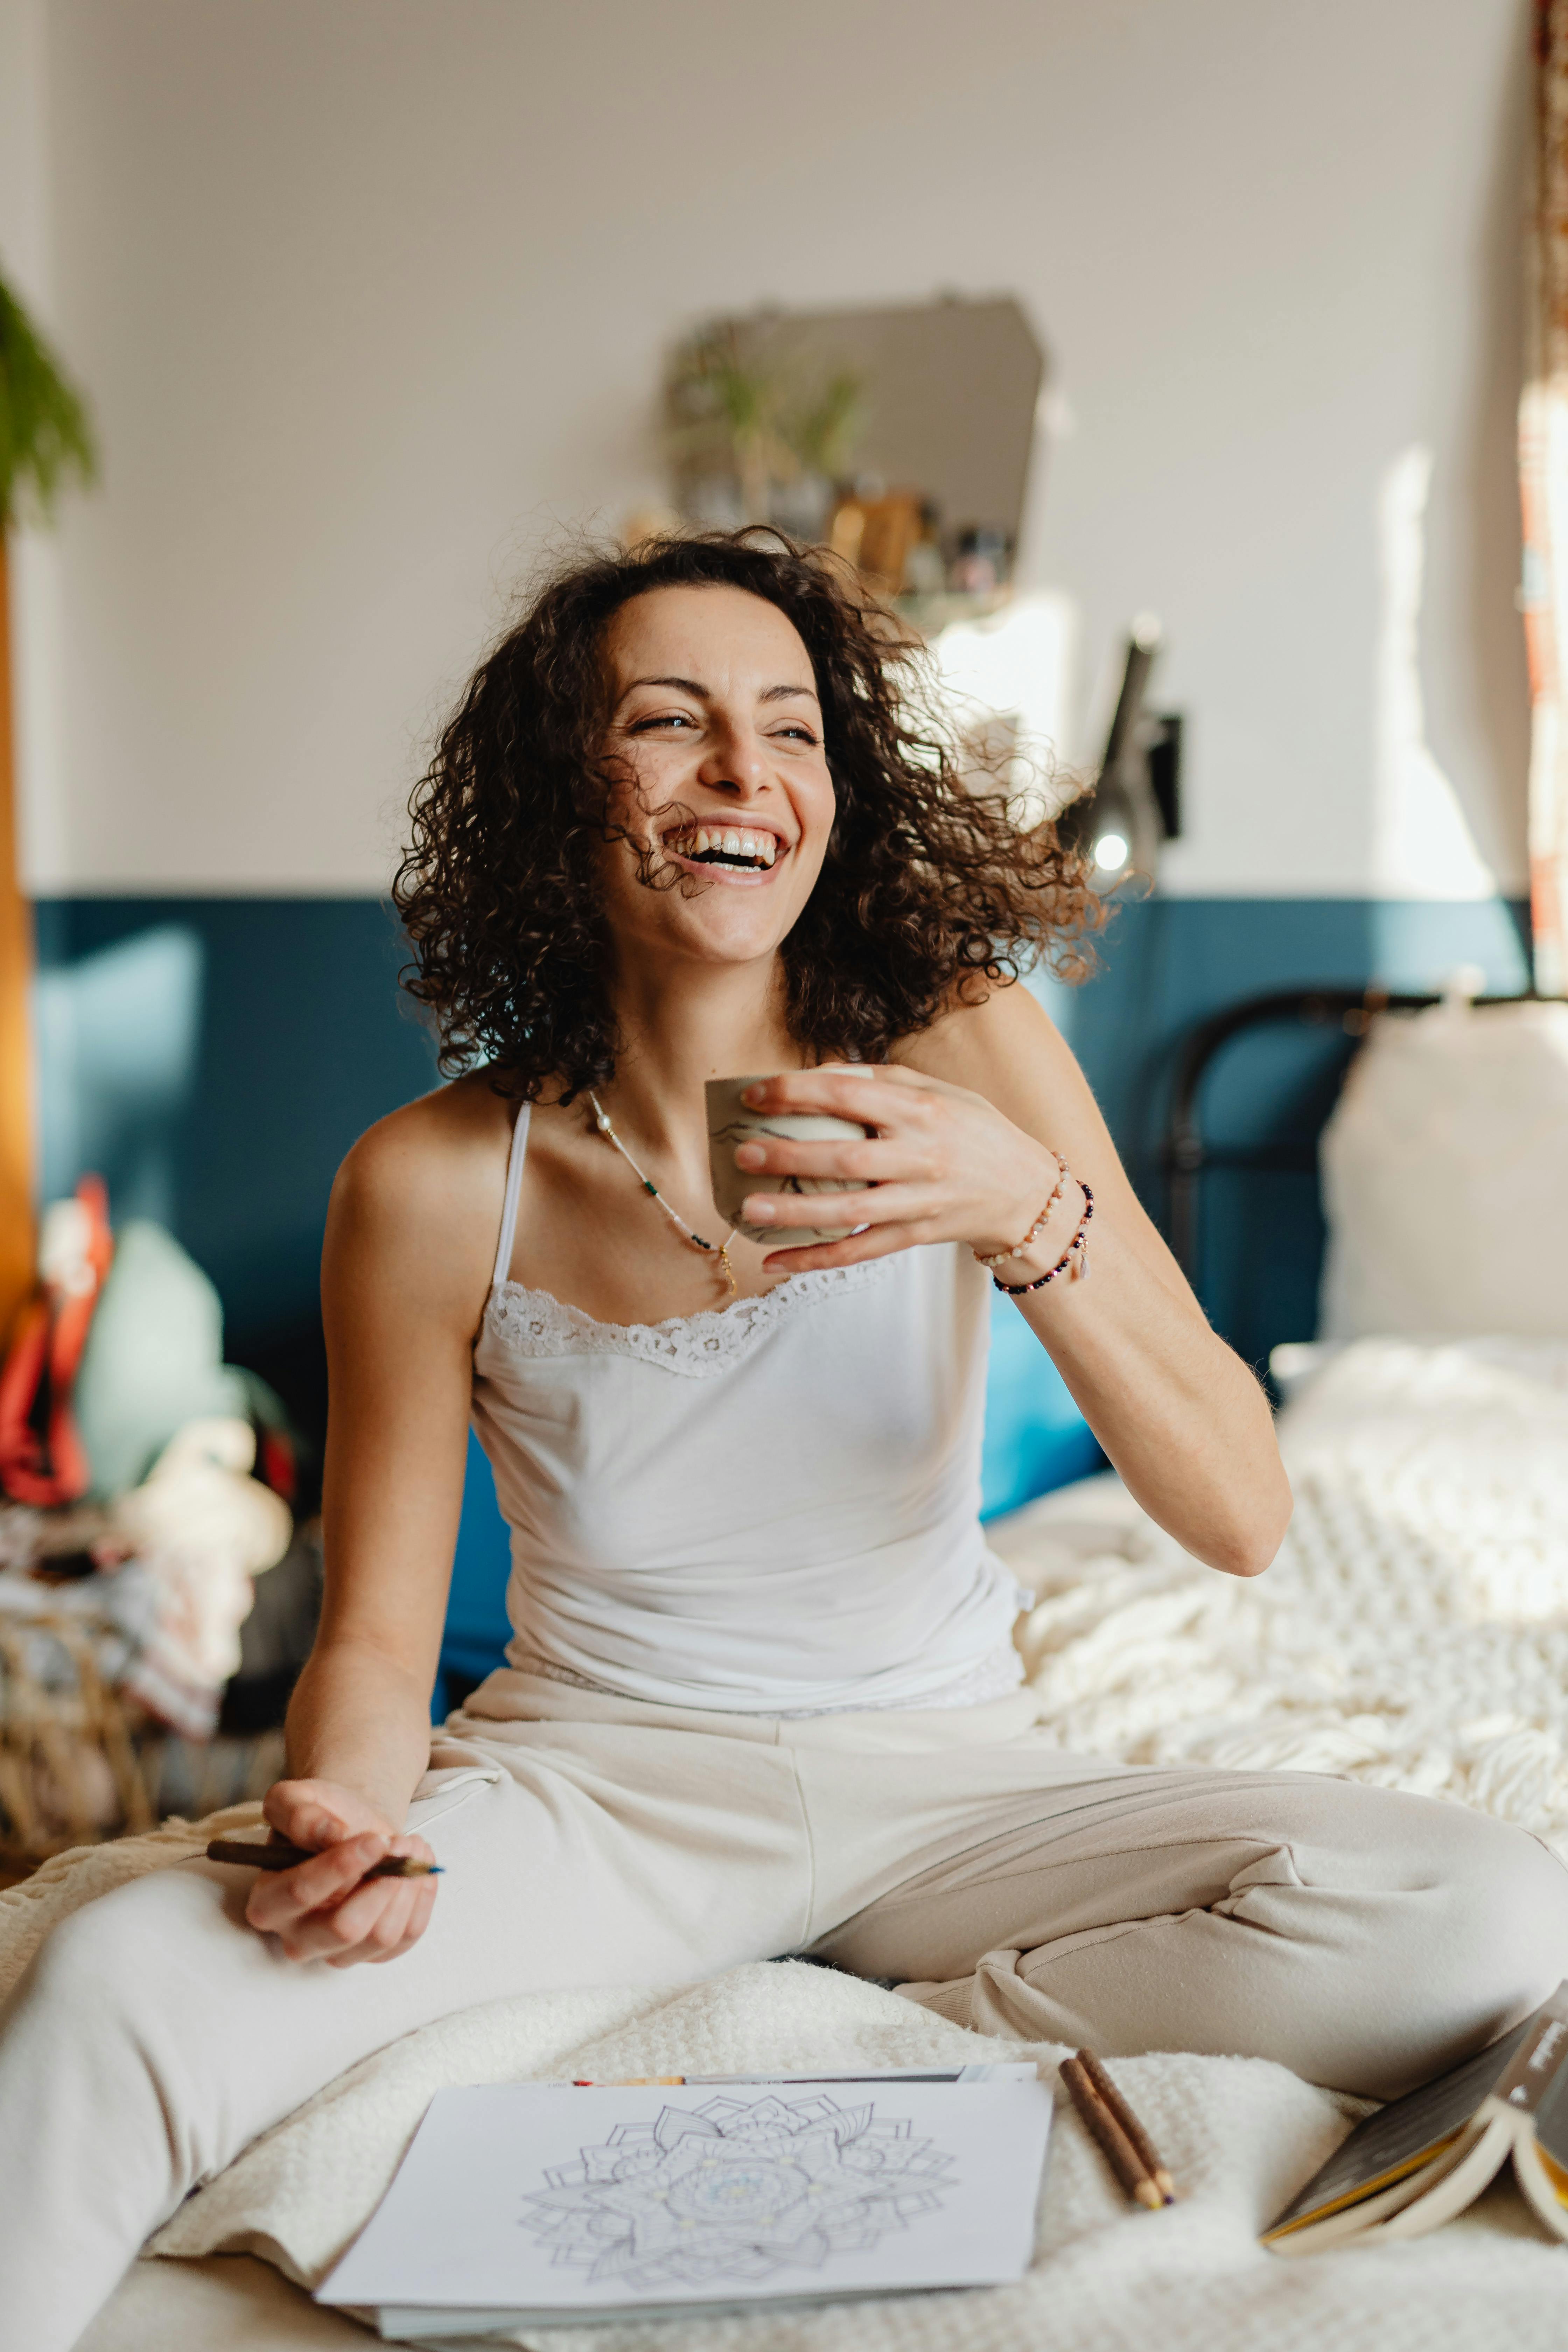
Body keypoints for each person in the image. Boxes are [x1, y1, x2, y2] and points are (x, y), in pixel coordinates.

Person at [2, 532, 1563, 2350]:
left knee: (1483, 1909)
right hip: (597, 1792)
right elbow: (368, 1637)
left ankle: (900, 2037)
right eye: (672, 725)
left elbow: (1239, 1508)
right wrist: (353, 1818)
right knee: (121, 1973)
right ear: (557, 791)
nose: (749, 775)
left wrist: (1018, 1200)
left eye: (794, 729)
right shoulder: (430, 1181)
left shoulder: (970, 1048)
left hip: (955, 1791)